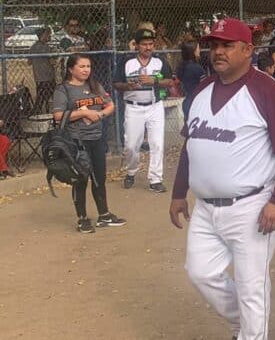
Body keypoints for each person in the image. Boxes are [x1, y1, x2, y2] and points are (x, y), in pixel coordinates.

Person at [169, 18, 275, 340]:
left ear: (248, 50)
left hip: (252, 206)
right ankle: (240, 325)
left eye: (227, 45)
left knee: (251, 286)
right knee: (200, 273)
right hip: (204, 207)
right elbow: (192, 144)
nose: (218, 51)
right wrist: (178, 192)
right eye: (214, 45)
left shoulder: (268, 91)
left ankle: (250, 334)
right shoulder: (202, 89)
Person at [53, 53, 125, 233]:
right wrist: (84, 113)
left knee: (99, 177)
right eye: (82, 66)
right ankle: (82, 218)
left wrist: (99, 114)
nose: (86, 70)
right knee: (81, 178)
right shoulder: (63, 89)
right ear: (71, 69)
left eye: (88, 66)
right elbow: (58, 115)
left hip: (97, 138)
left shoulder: (94, 85)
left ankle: (104, 215)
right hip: (77, 141)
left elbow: (110, 105)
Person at [114, 28, 173, 193]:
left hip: (154, 106)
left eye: (151, 44)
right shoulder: (127, 62)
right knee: (132, 145)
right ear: (137, 46)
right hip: (133, 106)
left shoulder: (159, 62)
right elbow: (116, 83)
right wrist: (128, 85)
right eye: (144, 44)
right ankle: (131, 171)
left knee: (157, 143)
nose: (148, 47)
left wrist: (153, 81)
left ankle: (155, 179)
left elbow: (169, 81)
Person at [176, 40, 207, 122]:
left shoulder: (181, 67)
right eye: (198, 48)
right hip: (197, 104)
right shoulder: (196, 68)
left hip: (187, 103)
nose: (199, 50)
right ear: (193, 51)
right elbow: (205, 87)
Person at [29, 26, 57, 113]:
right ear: (43, 35)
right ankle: (44, 112)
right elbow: (52, 62)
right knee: (51, 96)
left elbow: (29, 62)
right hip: (48, 76)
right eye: (48, 34)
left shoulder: (33, 47)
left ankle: (39, 111)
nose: (50, 36)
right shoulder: (46, 48)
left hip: (38, 76)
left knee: (41, 96)